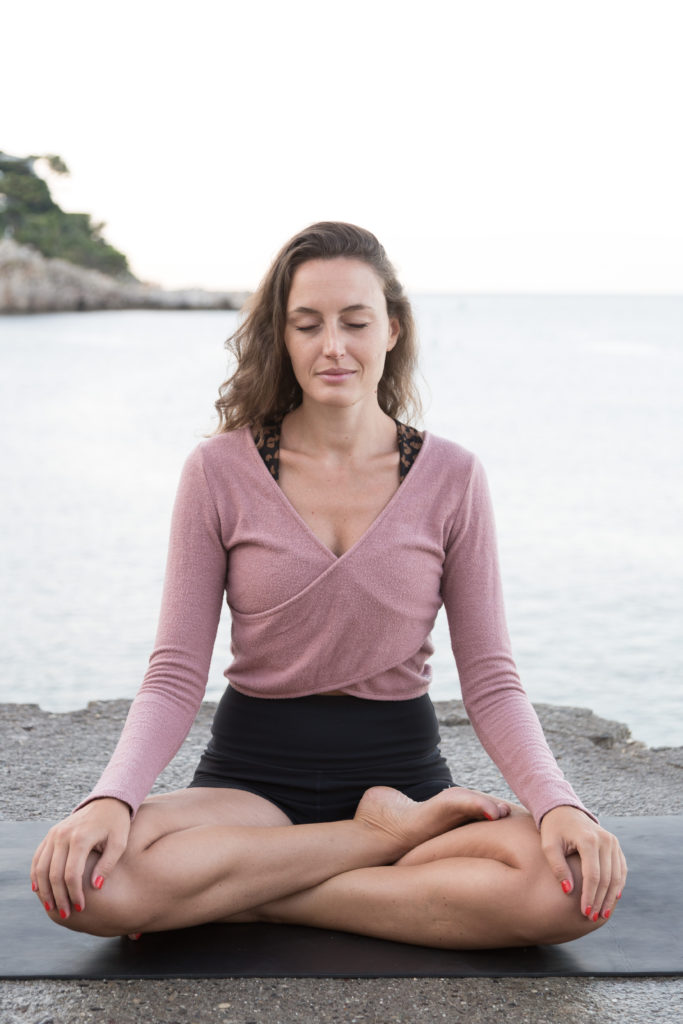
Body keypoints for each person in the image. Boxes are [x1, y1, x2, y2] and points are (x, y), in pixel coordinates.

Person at [31, 222, 626, 949]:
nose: (332, 346)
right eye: (306, 324)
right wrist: (110, 800)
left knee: (565, 894)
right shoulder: (218, 470)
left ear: (392, 330)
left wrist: (561, 806)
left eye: (354, 322)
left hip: (403, 779)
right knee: (86, 886)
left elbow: (492, 680)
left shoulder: (453, 477)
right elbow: (175, 672)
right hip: (251, 782)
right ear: (282, 337)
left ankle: (248, 897)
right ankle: (366, 848)